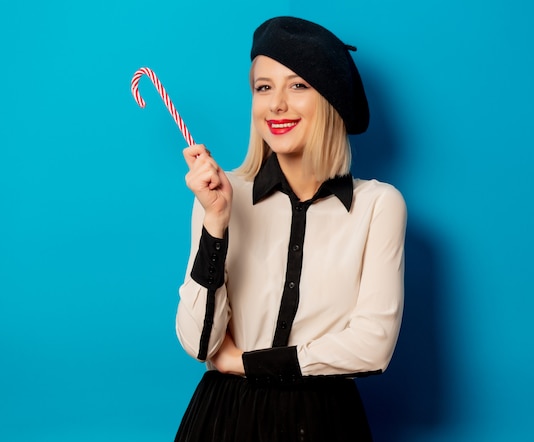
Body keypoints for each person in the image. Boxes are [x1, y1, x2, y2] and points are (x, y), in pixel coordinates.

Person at [174, 16, 406, 441]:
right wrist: (216, 223)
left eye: (298, 85)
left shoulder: (379, 206)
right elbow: (200, 344)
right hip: (224, 419)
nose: (276, 104)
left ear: (331, 99)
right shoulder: (221, 195)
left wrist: (246, 362)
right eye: (264, 87)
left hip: (324, 422)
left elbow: (373, 346)